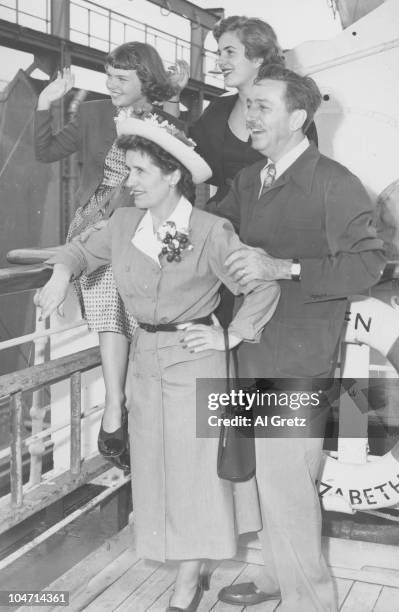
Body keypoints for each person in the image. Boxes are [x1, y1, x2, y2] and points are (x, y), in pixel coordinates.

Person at [34, 114, 280, 612]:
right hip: (144, 362)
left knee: (196, 478)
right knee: (155, 473)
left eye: (140, 172)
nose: (129, 182)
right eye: (128, 172)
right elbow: (80, 250)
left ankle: (187, 586)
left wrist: (230, 334)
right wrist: (61, 275)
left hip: (195, 363)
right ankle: (183, 565)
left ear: (172, 176)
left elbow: (263, 284)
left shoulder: (211, 230)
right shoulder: (125, 224)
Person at [212, 64, 386, 612]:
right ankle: (273, 575)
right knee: (264, 477)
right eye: (247, 105)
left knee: (288, 482)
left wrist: (282, 268)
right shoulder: (248, 180)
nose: (249, 115)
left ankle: (311, 600)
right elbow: (210, 239)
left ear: (298, 117)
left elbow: (368, 265)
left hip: (298, 353)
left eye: (262, 106)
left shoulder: (333, 181)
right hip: (248, 348)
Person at [34, 42, 186, 465]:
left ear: (145, 81)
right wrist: (47, 104)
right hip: (93, 222)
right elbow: (45, 151)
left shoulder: (166, 124)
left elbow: (178, 188)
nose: (110, 84)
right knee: (106, 300)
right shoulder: (94, 113)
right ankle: (116, 407)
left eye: (121, 78)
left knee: (140, 314)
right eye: (109, 76)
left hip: (141, 224)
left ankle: (132, 414)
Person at [189, 15, 317, 205]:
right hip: (223, 219)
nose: (220, 62)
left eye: (230, 52)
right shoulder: (217, 110)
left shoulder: (290, 112)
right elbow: (187, 157)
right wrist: (172, 97)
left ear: (257, 58)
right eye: (219, 53)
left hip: (273, 221)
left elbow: (305, 178)